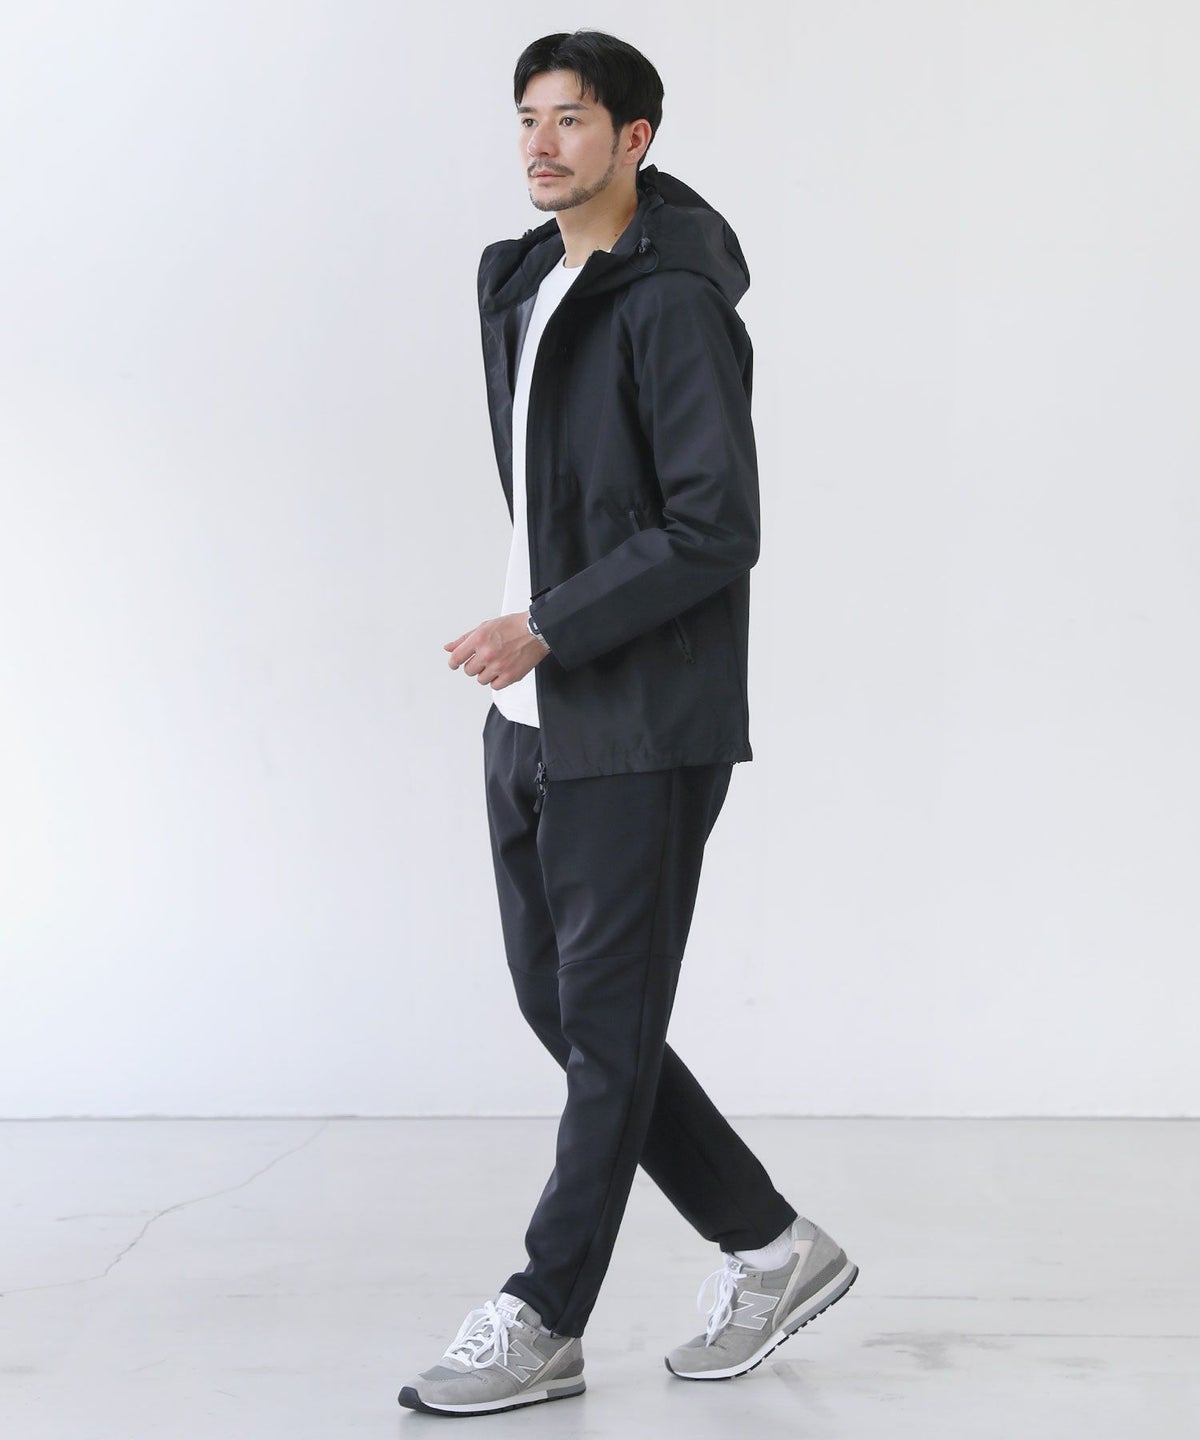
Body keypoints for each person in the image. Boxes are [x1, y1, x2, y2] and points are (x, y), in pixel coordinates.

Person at [398, 29, 857, 1419]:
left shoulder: (675, 304)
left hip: (641, 718)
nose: (541, 145)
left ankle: (543, 1317)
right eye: (527, 119)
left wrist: (550, 622)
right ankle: (769, 1245)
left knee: (607, 1028)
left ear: (636, 139)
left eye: (573, 121)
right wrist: (531, 647)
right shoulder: (525, 281)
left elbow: (718, 526)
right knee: (567, 1008)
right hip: (533, 709)